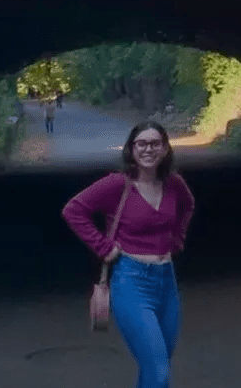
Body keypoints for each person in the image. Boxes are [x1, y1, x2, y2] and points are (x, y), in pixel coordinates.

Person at [61, 121, 195, 388]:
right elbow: (73, 210)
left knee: (157, 367)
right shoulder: (116, 184)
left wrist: (177, 240)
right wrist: (103, 247)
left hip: (167, 282)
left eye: (155, 143)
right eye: (141, 143)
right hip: (132, 282)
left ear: (165, 148)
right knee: (158, 371)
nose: (148, 149)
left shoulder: (173, 183)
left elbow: (188, 206)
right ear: (131, 149)